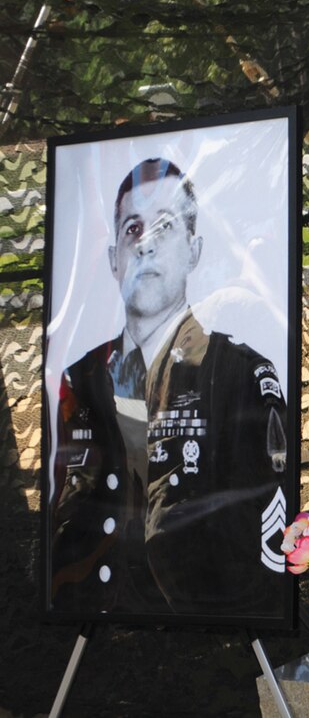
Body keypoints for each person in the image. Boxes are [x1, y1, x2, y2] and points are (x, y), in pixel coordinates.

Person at [50, 158, 289, 617]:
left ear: (194, 251)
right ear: (113, 258)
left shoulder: (236, 372)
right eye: (132, 229)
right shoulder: (81, 379)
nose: (146, 246)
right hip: (101, 621)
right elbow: (69, 506)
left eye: (165, 227)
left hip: (213, 619)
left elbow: (262, 528)